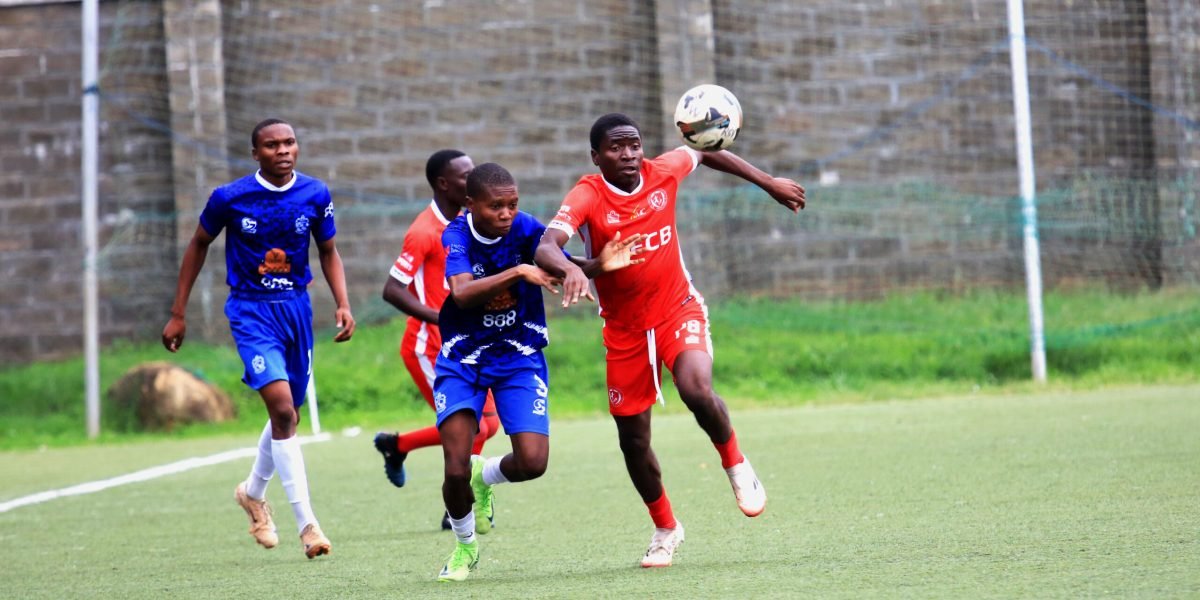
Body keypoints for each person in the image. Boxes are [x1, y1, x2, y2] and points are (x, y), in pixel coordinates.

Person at [534, 112, 805, 568]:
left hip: (678, 307)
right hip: (624, 331)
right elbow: (545, 247)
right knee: (633, 441)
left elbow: (703, 151)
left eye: (634, 144)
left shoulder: (663, 170)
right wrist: (578, 267)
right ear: (596, 156)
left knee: (696, 388)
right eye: (617, 148)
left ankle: (736, 464)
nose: (629, 154)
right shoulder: (587, 194)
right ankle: (665, 529)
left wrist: (768, 182)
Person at [434, 162, 642, 582]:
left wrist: (599, 264)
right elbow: (460, 293)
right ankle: (465, 547)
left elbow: (560, 262)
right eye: (496, 207)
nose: (507, 214)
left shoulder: (526, 228)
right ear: (470, 204)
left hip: (518, 356)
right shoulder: (456, 234)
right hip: (463, 359)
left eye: (512, 204)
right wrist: (517, 271)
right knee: (453, 467)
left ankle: (485, 474)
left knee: (533, 462)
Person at [161, 118, 356, 560]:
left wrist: (342, 303)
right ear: (256, 154)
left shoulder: (315, 194)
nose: (283, 150)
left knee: (289, 416)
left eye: (289, 142)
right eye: (272, 145)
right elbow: (197, 244)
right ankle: (308, 525)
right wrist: (178, 313)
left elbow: (328, 251)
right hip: (250, 311)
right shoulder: (229, 198)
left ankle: (252, 492)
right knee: (283, 409)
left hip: (297, 311)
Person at [373, 149, 501, 531]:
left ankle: (399, 446)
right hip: (429, 349)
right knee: (472, 427)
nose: (474, 180)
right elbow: (392, 290)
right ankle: (459, 504)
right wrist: (441, 317)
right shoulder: (423, 232)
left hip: (468, 344)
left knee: (487, 425)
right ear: (443, 184)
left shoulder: (466, 221)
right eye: (465, 176)